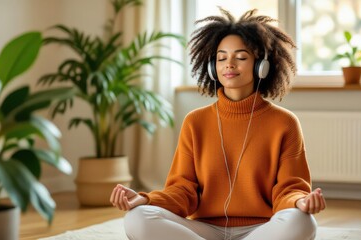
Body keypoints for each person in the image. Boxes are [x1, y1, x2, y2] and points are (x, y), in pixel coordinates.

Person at [110, 8, 326, 240]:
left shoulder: (284, 122)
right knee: (137, 217)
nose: (229, 64)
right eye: (221, 58)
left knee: (303, 222)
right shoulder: (195, 121)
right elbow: (183, 189)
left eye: (241, 57)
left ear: (261, 65)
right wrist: (146, 199)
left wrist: (300, 201)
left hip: (262, 230)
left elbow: (289, 188)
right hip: (204, 229)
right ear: (212, 67)